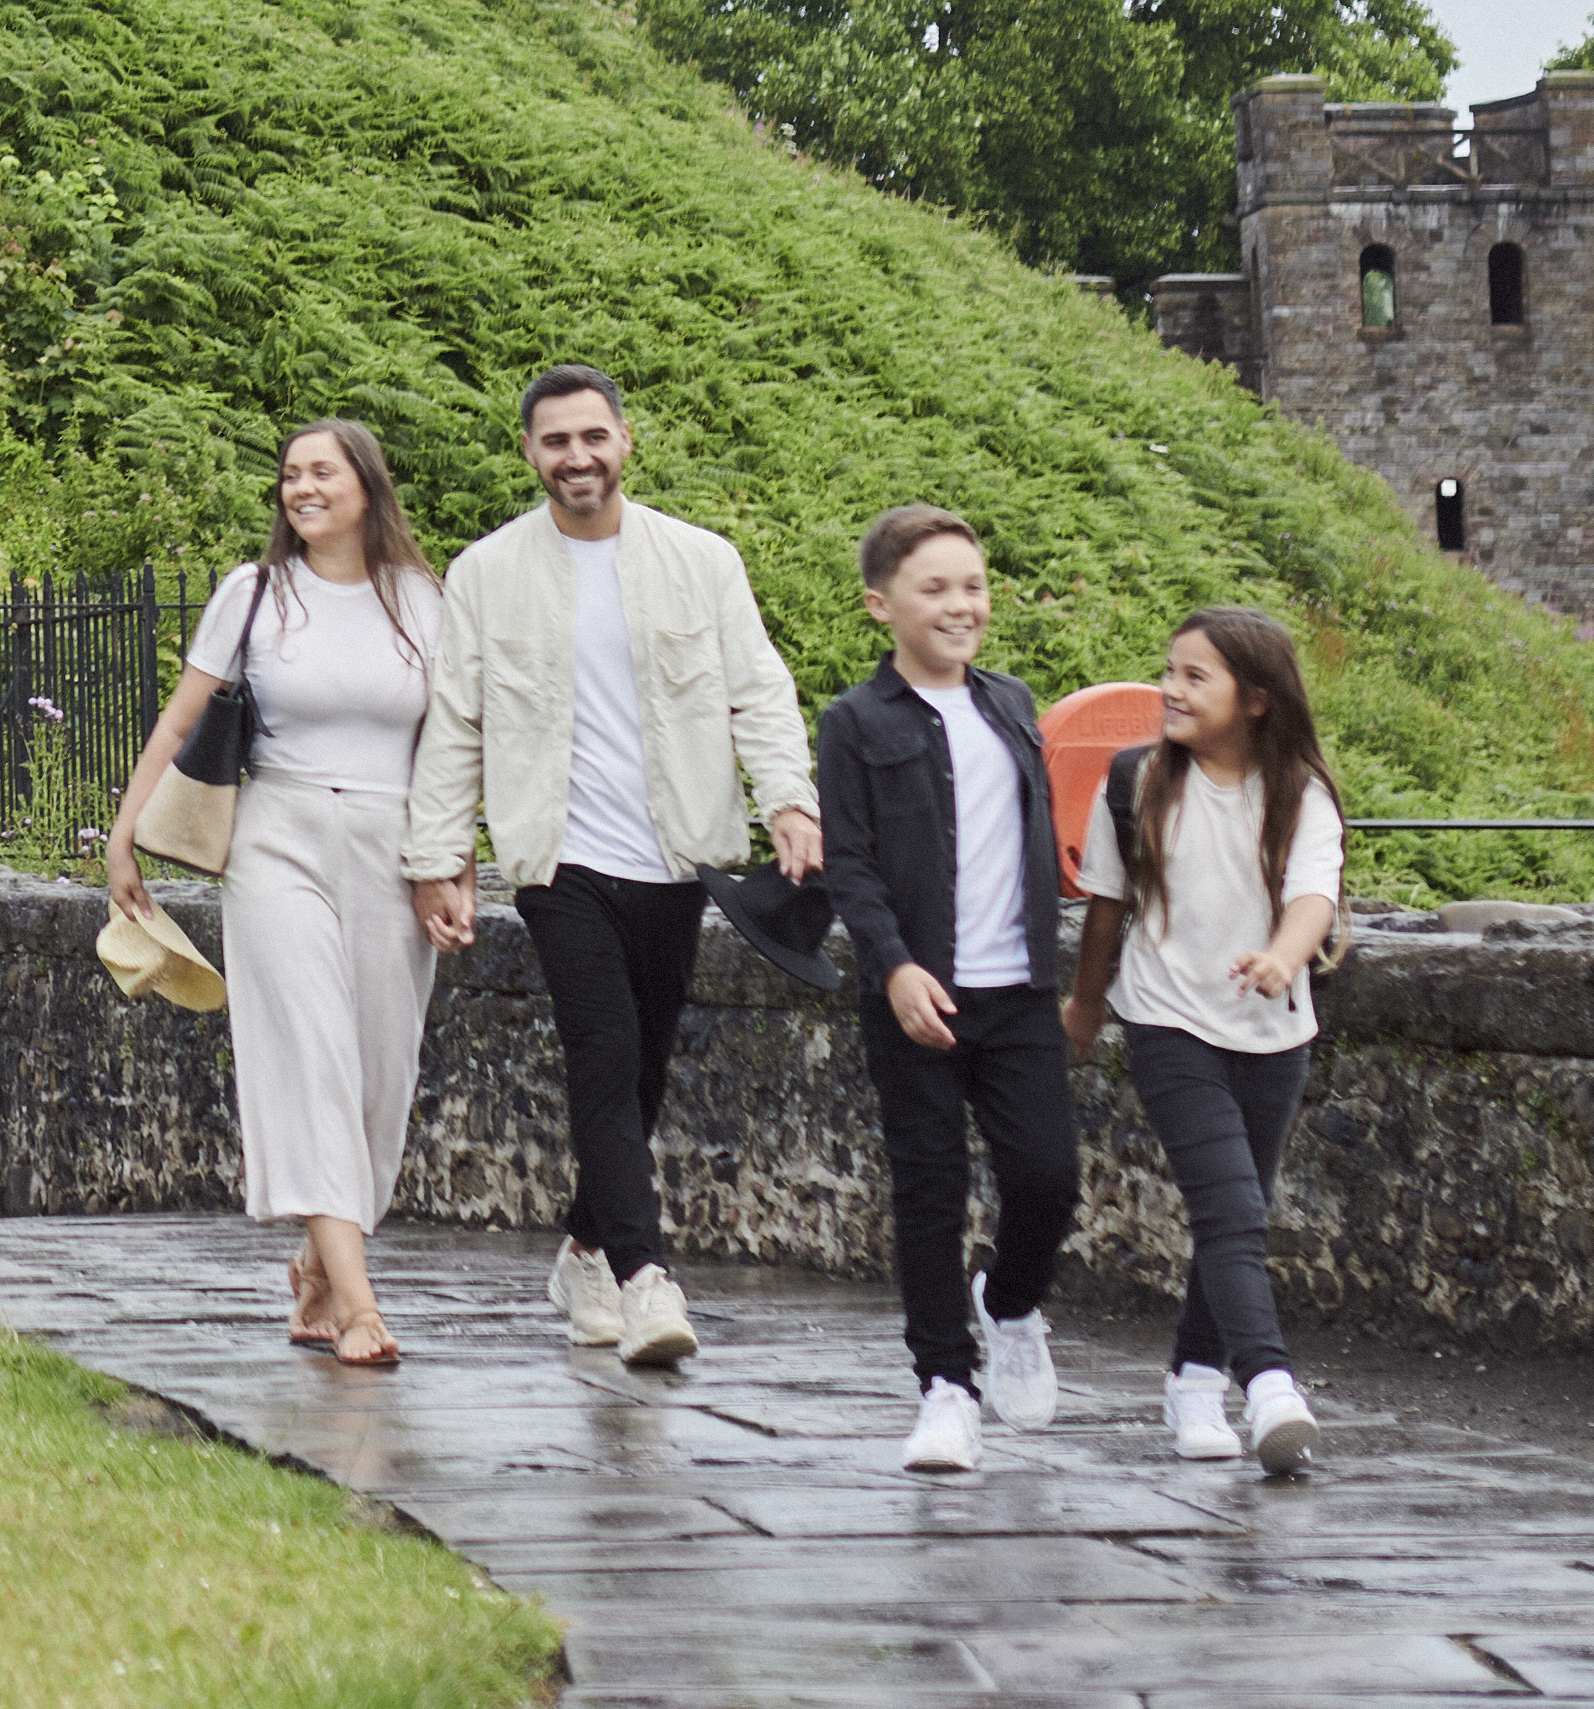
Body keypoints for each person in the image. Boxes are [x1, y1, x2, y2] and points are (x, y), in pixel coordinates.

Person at [398, 362, 821, 1375]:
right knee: (601, 1049)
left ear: (625, 441)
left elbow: (758, 690)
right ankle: (644, 1277)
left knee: (643, 1069)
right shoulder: (488, 570)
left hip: (677, 852)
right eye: (556, 440)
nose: (577, 456)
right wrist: (438, 857)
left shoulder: (700, 560)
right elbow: (455, 719)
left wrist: (790, 800)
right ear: (530, 452)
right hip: (559, 857)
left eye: (594, 436)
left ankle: (584, 1247)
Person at [108, 418, 448, 1363]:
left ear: (366, 487)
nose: (301, 487)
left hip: (393, 843)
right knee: (309, 1058)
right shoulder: (254, 594)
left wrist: (450, 860)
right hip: (278, 839)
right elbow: (184, 717)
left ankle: (317, 1260)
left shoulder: (424, 602)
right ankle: (361, 1303)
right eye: (290, 474)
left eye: (321, 472)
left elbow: (453, 746)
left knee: (380, 1072)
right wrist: (125, 832)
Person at [812, 503, 1081, 1472]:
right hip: (917, 993)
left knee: (1050, 1180)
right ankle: (945, 1388)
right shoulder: (853, 720)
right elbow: (850, 862)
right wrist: (894, 964)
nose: (961, 603)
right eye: (936, 587)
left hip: (1017, 990)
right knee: (930, 1188)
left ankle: (1008, 1303)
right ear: (882, 603)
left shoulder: (1013, 702)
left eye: (973, 584)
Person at [1069, 601, 1348, 1467]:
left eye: (1196, 676)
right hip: (1166, 1017)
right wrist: (1085, 1004)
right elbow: (1105, 913)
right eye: (1171, 670)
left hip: (1274, 1027)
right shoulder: (1135, 781)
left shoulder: (1300, 794)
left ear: (1255, 699)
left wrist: (1281, 956)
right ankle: (1268, 1387)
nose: (1171, 689)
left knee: (1237, 1213)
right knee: (1229, 1209)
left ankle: (1194, 1381)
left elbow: (1314, 897)